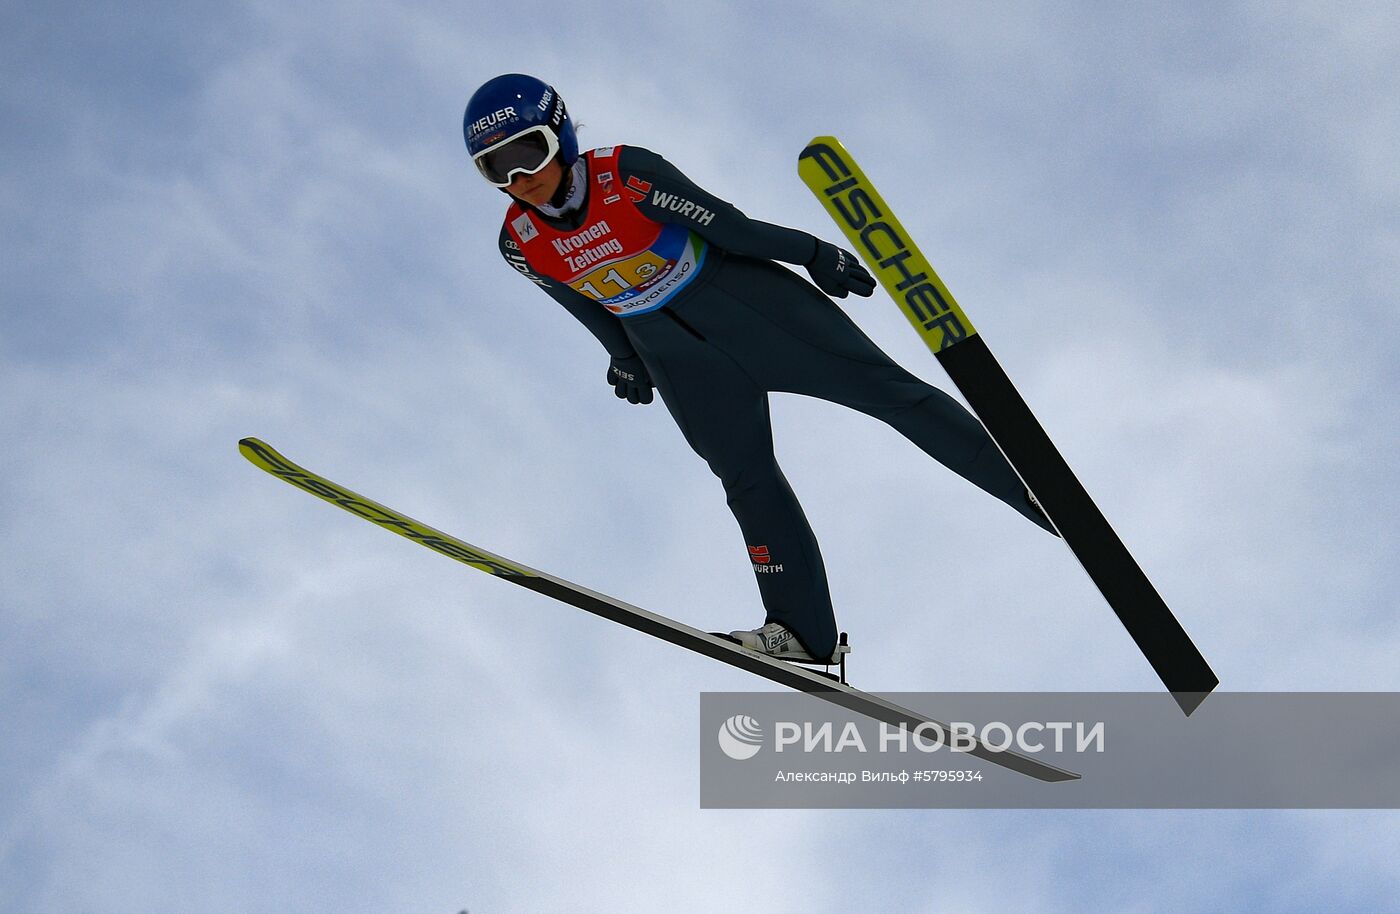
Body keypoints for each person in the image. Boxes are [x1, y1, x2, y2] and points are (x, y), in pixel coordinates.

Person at [463, 74, 1054, 666]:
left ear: (560, 135)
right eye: (496, 169)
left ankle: (1033, 492)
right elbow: (583, 303)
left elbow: (731, 227)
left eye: (527, 153)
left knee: (889, 393)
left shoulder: (627, 175)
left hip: (753, 310)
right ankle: (804, 633)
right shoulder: (519, 242)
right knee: (745, 480)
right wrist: (624, 359)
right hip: (680, 360)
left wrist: (814, 253)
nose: (519, 179)